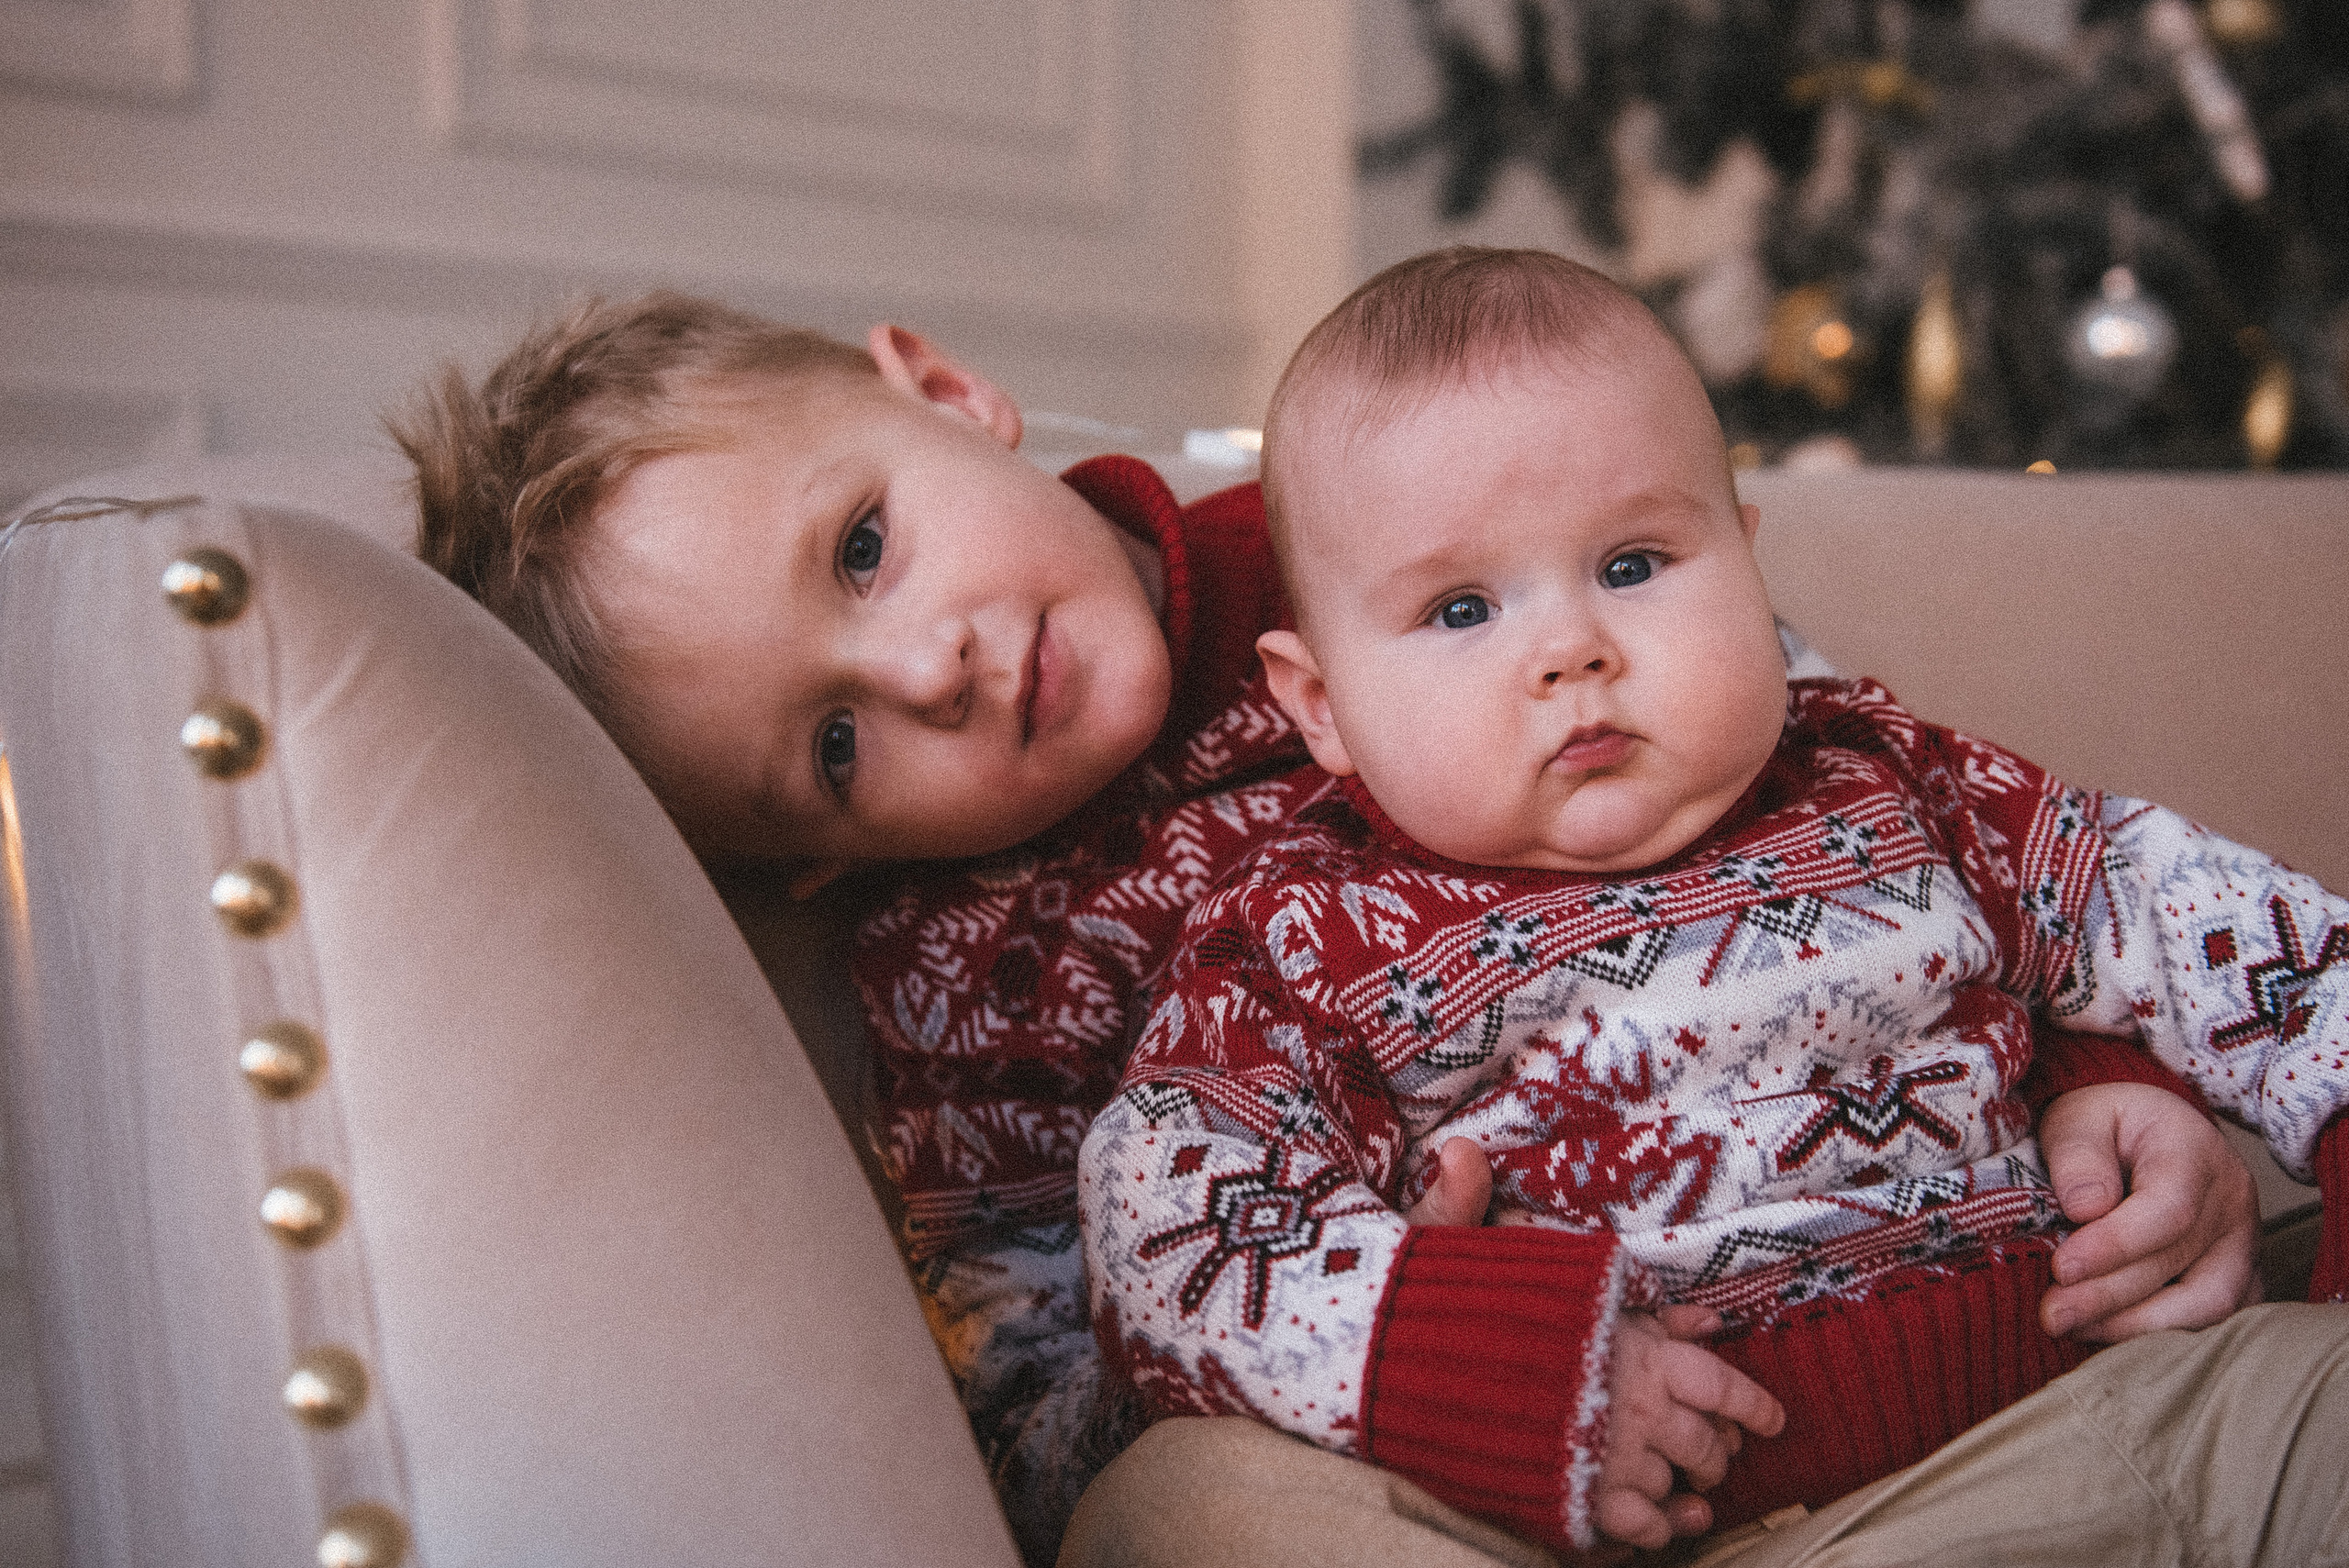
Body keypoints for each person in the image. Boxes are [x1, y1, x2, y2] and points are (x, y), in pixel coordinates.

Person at [391, 287, 2288, 1567]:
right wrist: (1396, 1325)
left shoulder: (1389, 506)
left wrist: (2091, 1078)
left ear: (944, 394)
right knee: (1187, 1518)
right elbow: (1034, 1396)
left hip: (1906, 1280)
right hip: (1436, 1419)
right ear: (808, 861)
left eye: (863, 546)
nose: (932, 668)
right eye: (830, 743)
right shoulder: (966, 976)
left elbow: (1831, 812)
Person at [1077, 247, 2349, 1562]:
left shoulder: (1890, 777)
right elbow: (1158, 1223)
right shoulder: (1308, 929)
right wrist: (1450, 1352)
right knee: (1179, 1505)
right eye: (1463, 607)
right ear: (1322, 707)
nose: (1572, 649)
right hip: (1674, 1536)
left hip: (2113, 1412)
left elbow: (2201, 914)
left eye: (1632, 564)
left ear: (1745, 561)